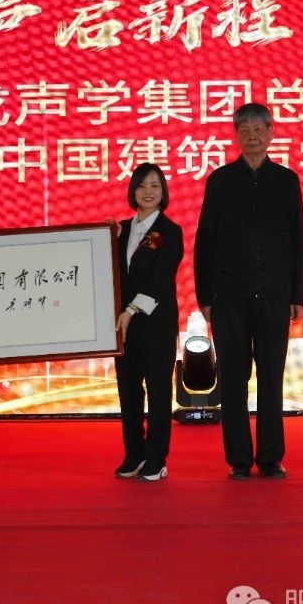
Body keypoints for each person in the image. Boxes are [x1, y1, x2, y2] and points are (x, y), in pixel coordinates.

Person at [194, 103, 303, 479]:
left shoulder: (287, 181)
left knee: (271, 378)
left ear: (271, 133)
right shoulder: (220, 181)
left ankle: (271, 458)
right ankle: (239, 460)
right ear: (236, 136)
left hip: (275, 294)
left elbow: (298, 240)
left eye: (259, 129)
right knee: (233, 379)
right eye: (244, 130)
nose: (252, 137)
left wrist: (298, 295)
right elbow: (205, 242)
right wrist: (205, 297)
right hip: (229, 296)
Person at [113, 163, 183, 482]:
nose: (148, 191)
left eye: (155, 185)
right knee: (128, 391)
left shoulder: (170, 231)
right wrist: (105, 239)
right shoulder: (120, 230)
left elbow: (160, 280)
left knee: (157, 392)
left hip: (156, 324)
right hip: (123, 326)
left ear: (163, 191)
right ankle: (134, 454)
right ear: (133, 191)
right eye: (141, 185)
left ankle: (156, 458)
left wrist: (131, 309)